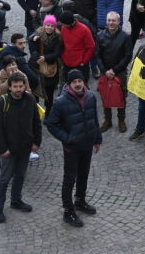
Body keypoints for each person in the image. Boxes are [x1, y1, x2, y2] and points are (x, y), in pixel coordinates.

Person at [45, 69, 101, 227]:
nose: (78, 84)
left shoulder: (90, 96)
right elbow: (51, 124)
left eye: (80, 81)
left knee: (84, 175)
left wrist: (97, 139)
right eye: (74, 82)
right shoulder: (61, 102)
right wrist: (66, 138)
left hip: (87, 144)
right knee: (69, 179)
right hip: (72, 148)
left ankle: (80, 200)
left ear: (84, 82)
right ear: (69, 84)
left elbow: (94, 119)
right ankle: (68, 211)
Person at [0, 72, 42, 223]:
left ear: (25, 86)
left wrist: (36, 142)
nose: (18, 89)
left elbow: (36, 122)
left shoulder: (31, 99)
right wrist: (2, 149)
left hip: (25, 147)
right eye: (15, 87)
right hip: (8, 149)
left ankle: (16, 200)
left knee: (20, 175)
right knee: (4, 179)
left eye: (21, 86)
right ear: (10, 87)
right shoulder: (2, 102)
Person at [96, 11, 132, 132]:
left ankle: (121, 119)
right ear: (106, 21)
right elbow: (97, 55)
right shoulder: (100, 35)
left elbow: (127, 56)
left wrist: (114, 70)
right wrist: (105, 71)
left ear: (119, 21)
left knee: (122, 96)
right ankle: (108, 120)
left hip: (120, 71)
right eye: (109, 20)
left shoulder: (125, 36)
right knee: (105, 96)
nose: (111, 23)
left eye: (114, 20)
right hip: (105, 72)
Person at [29, 15, 62, 111]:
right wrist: (33, 40)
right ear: (44, 25)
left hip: (49, 67)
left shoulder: (58, 37)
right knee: (35, 90)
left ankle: (48, 111)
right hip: (36, 66)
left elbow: (57, 53)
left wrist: (45, 58)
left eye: (52, 26)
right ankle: (36, 111)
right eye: (47, 25)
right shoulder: (37, 34)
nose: (49, 27)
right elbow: (32, 49)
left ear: (54, 27)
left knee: (49, 93)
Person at [58, 11, 95, 82]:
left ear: (69, 23)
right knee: (68, 86)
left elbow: (91, 47)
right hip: (67, 63)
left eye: (63, 23)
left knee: (81, 87)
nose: (61, 25)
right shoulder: (63, 28)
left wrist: (84, 62)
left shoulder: (84, 30)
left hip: (80, 65)